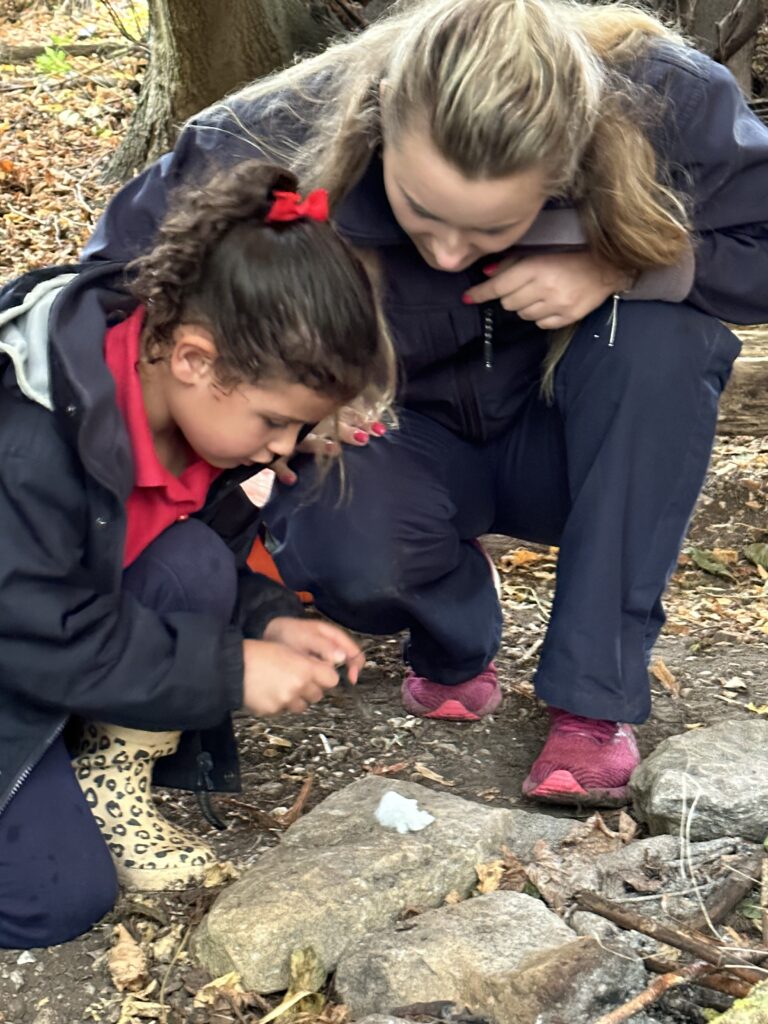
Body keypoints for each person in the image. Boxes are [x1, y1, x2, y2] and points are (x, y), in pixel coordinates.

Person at [82, 0, 768, 807]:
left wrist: (620, 265)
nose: (445, 253)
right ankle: (453, 625)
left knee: (661, 343)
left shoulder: (663, 99)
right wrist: (290, 380)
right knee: (358, 551)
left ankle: (593, 700)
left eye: (492, 230)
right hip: (394, 430)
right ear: (377, 132)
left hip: (578, 434)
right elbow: (112, 292)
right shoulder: (275, 134)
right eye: (420, 213)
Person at [0, 159, 395, 949]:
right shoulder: (29, 442)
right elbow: (35, 631)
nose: (288, 449)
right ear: (193, 359)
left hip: (48, 633)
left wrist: (272, 622)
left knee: (198, 563)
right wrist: (230, 669)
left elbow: (184, 553)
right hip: (24, 642)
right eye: (275, 421)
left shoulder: (191, 414)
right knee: (56, 901)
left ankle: (95, 771)